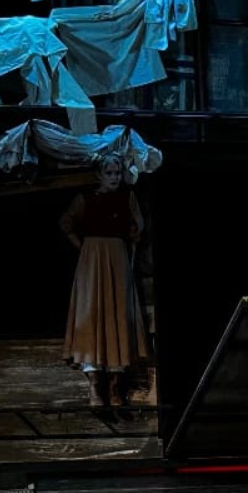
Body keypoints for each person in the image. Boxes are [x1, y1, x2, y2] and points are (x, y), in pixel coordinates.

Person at [60, 153, 151, 406]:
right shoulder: (86, 198)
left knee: (117, 312)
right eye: (109, 173)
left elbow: (137, 224)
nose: (114, 178)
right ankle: (94, 385)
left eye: (117, 173)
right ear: (99, 175)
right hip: (92, 258)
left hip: (117, 257)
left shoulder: (126, 197)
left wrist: (134, 232)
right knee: (91, 312)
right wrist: (82, 247)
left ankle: (114, 385)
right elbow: (66, 222)